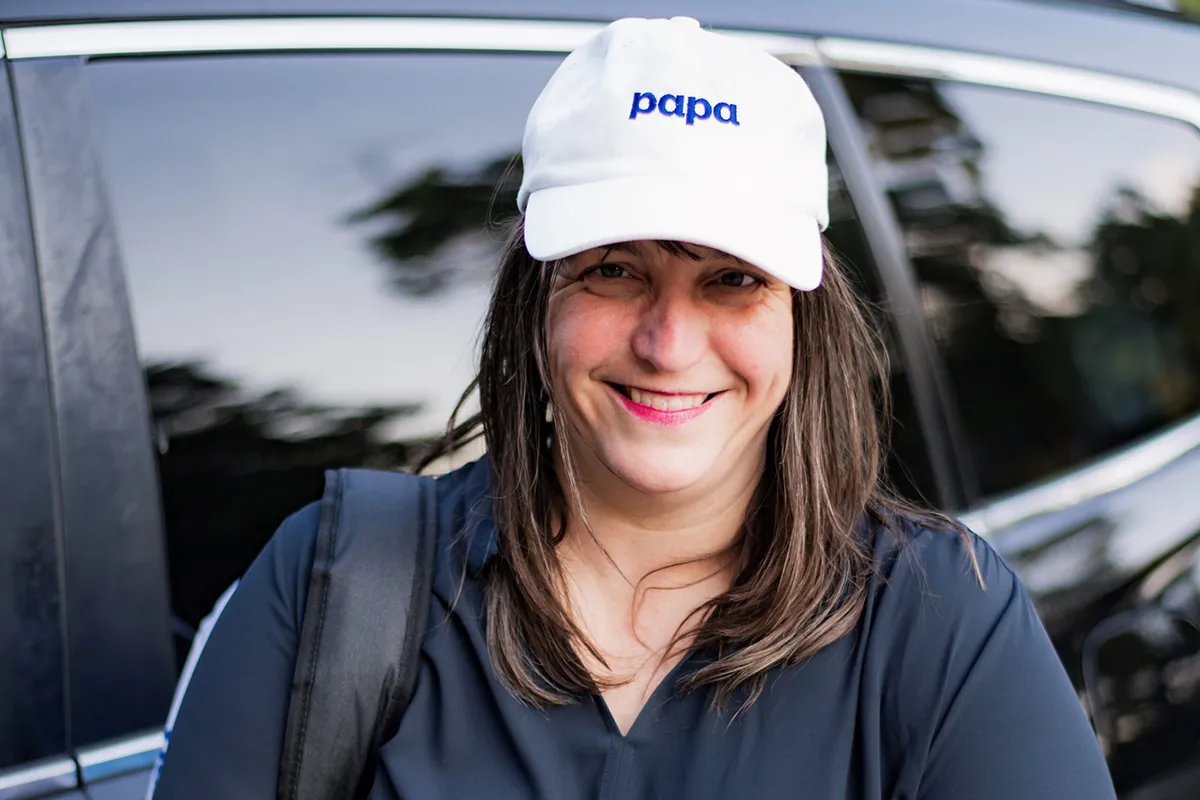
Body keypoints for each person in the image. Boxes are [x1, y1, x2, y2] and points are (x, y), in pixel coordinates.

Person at [149, 16, 1117, 799]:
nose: (668, 342)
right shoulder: (335, 588)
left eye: (732, 279)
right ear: (537, 298)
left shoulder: (941, 622)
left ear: (799, 318)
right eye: (615, 269)